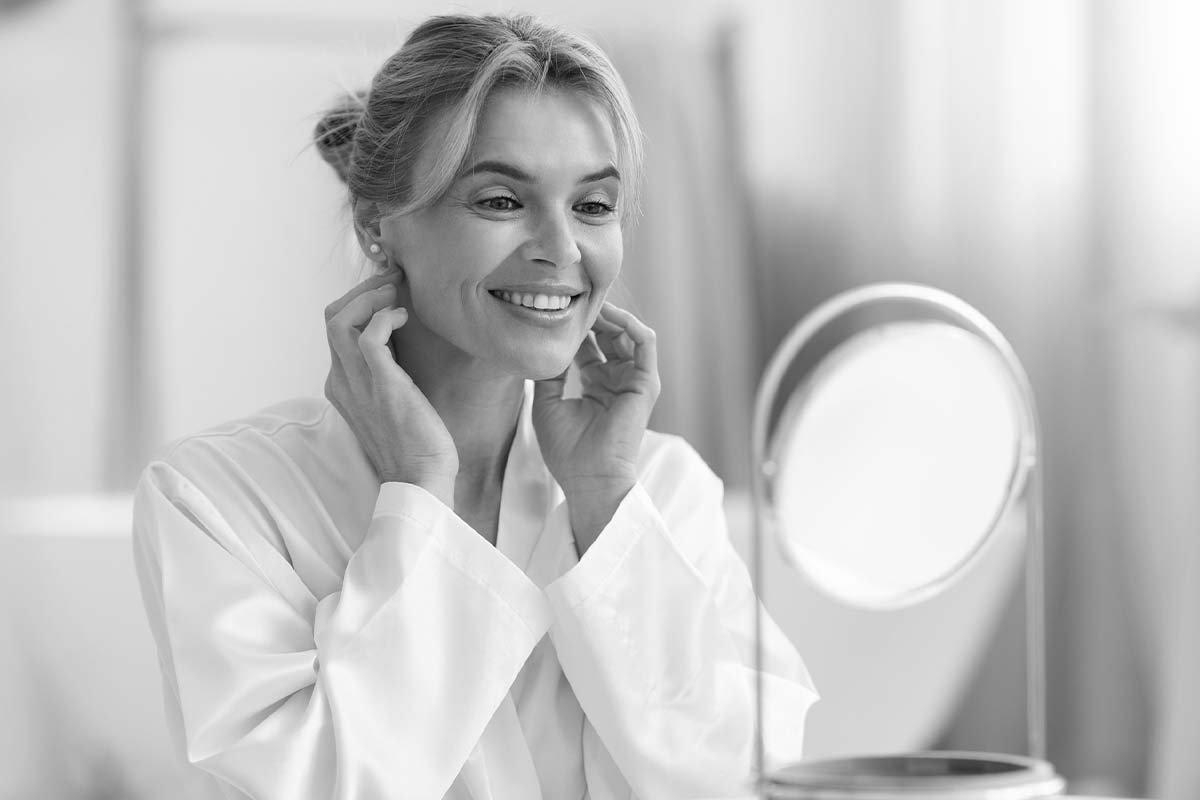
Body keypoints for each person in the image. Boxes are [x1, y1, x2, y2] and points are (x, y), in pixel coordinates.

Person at [132, 13, 816, 800]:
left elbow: (747, 781)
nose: (561, 249)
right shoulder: (218, 499)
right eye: (500, 200)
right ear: (379, 226)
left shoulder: (657, 489)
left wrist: (603, 504)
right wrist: (421, 493)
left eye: (593, 206)